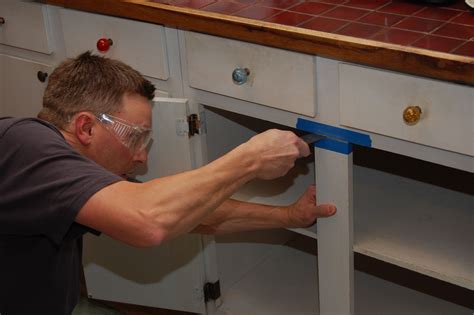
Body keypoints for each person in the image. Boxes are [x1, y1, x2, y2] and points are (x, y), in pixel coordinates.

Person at [0, 52, 336, 315]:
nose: (142, 158)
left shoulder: (54, 171)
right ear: (87, 127)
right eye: (137, 138)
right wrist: (248, 159)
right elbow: (149, 221)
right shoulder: (25, 144)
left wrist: (287, 217)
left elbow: (194, 214)